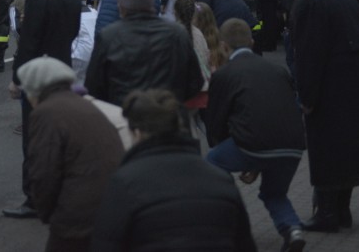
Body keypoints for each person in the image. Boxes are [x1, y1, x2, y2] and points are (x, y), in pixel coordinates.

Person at [286, 0, 359, 233]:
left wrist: (306, 96)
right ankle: (342, 211)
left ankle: (327, 214)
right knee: (349, 150)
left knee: (327, 150)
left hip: (332, 87)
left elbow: (308, 55)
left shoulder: (309, 5)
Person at [92, 89, 257, 251]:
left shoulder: (123, 183)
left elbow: (106, 243)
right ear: (179, 126)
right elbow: (244, 243)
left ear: (137, 132)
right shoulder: (221, 179)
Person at [205, 18, 307, 252]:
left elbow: (216, 124)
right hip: (292, 145)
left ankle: (230, 220)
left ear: (223, 46)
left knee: (211, 165)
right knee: (274, 193)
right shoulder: (278, 70)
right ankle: (293, 230)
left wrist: (243, 157)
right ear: (251, 42)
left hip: (251, 143)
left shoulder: (224, 75)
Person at [5, 0, 83, 220]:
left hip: (38, 77)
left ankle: (35, 198)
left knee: (34, 139)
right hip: (62, 72)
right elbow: (72, 33)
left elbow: (28, 44)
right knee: (58, 137)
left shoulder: (37, 0)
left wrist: (17, 79)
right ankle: (59, 192)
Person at [17, 58, 124, 252]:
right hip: (113, 207)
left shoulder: (47, 113)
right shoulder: (85, 105)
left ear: (34, 90)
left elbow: (44, 172)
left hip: (80, 215)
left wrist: (48, 214)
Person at [86, 0, 204, 107]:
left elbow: (93, 86)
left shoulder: (109, 36)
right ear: (152, 2)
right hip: (167, 115)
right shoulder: (177, 33)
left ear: (121, 6)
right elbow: (195, 82)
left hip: (124, 115)